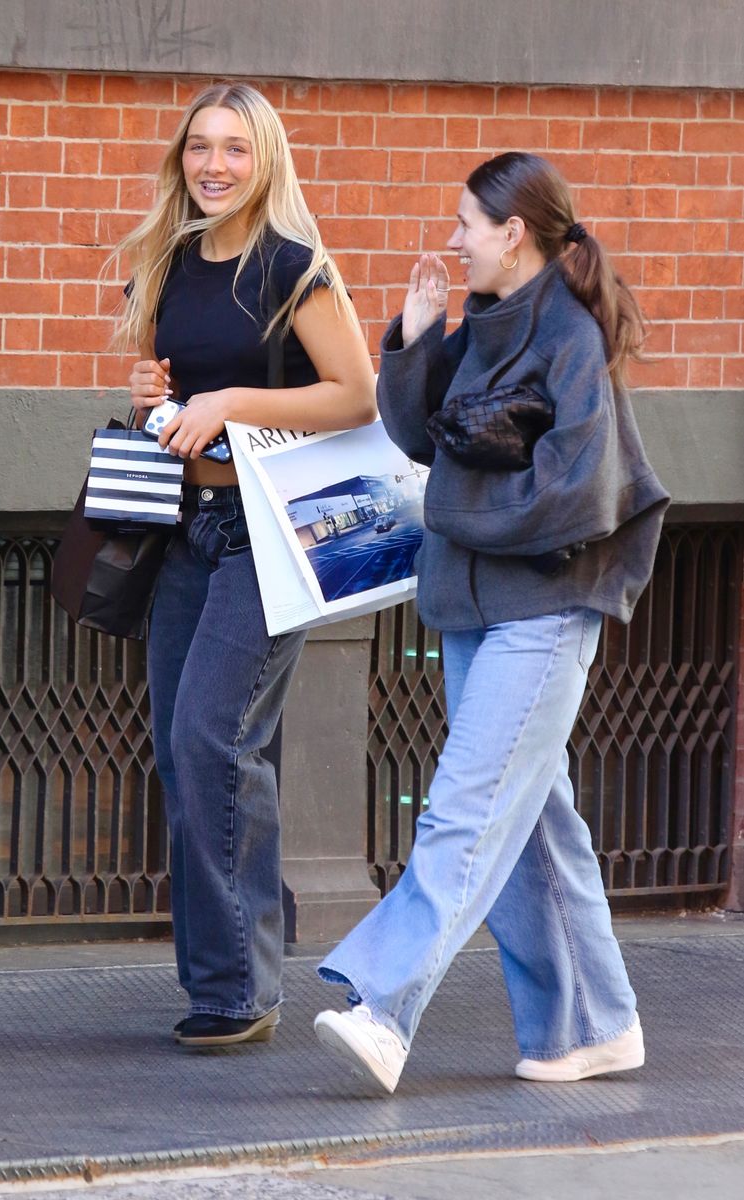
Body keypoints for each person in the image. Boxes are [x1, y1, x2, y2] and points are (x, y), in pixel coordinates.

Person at [313, 151, 670, 1093]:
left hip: (547, 609)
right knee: (534, 823)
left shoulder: (571, 338)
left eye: (467, 222)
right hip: (476, 605)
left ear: (513, 233)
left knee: (464, 813)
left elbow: (574, 496)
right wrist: (421, 338)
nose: (453, 237)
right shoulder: (485, 324)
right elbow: (417, 432)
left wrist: (445, 512)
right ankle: (595, 1024)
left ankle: (384, 1009)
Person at [111, 82, 376, 1048]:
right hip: (189, 529)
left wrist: (228, 401)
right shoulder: (167, 263)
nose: (214, 166)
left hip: (272, 537)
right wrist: (151, 391)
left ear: (264, 159)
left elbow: (355, 397)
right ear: (180, 160)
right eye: (198, 149)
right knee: (191, 759)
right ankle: (230, 976)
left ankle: (242, 991)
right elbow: (160, 395)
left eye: (234, 149)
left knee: (213, 741)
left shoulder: (295, 269)